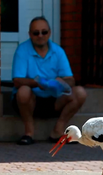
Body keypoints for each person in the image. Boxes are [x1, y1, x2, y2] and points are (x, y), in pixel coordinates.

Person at [11, 16, 87, 145]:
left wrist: (61, 83)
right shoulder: (22, 50)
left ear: (49, 33)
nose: (40, 35)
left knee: (80, 92)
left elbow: (70, 80)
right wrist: (37, 83)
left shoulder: (58, 51)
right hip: (31, 100)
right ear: (30, 34)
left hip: (54, 99)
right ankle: (28, 133)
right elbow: (17, 81)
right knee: (23, 91)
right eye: (36, 33)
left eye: (44, 32)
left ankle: (58, 130)